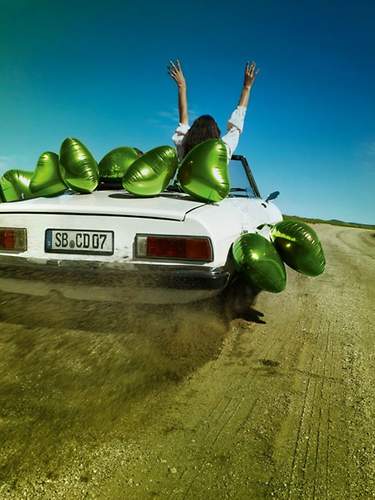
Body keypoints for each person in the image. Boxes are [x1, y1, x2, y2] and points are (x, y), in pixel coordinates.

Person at [167, 60, 259, 162]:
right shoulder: (223, 151)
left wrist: (182, 86)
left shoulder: (183, 146)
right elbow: (236, 124)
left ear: (191, 132)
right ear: (216, 134)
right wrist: (247, 87)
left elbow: (183, 120)